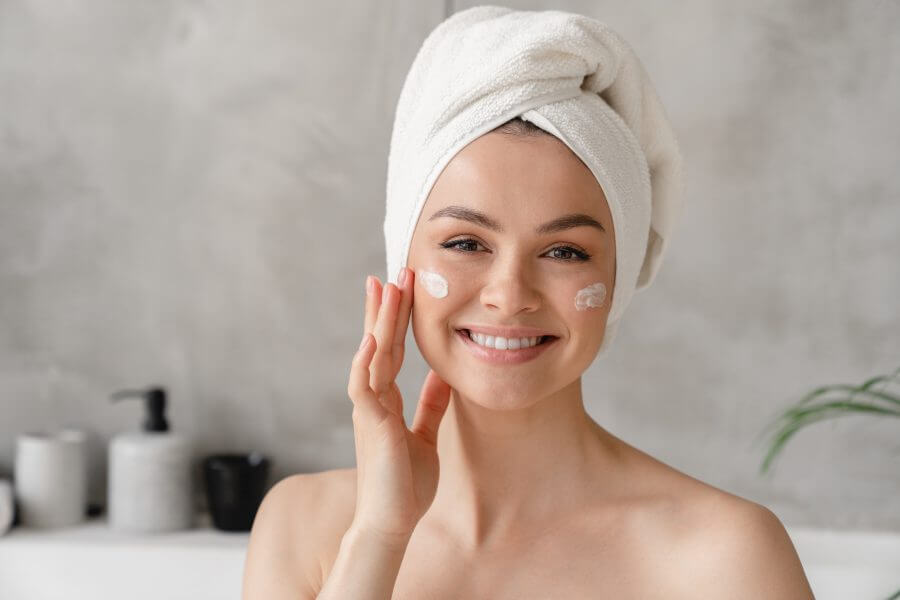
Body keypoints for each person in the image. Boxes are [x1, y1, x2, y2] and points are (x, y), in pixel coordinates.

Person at [243, 7, 815, 599]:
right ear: (402, 261)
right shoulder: (304, 524)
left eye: (565, 251)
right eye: (466, 243)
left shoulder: (725, 556)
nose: (509, 296)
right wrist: (380, 536)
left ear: (618, 277)